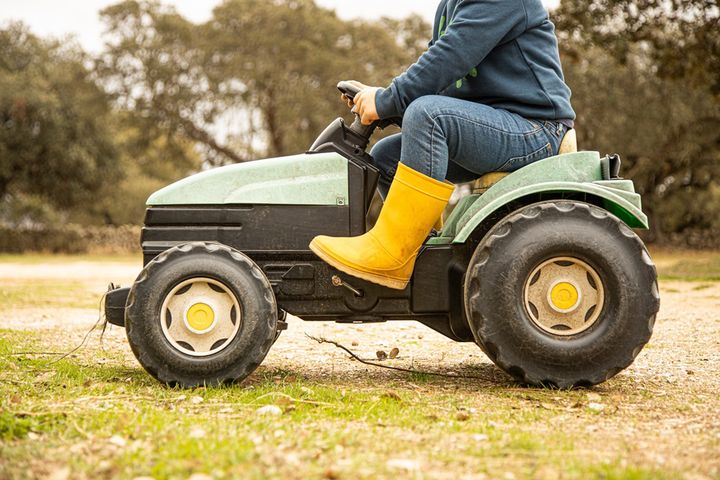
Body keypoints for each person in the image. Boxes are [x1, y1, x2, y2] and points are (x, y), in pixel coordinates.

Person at [310, 0, 576, 290]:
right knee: (387, 156)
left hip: (536, 129)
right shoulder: (450, 4)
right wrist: (387, 108)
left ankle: (391, 253)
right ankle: (424, 256)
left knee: (429, 114)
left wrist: (387, 100)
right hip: (498, 126)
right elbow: (444, 85)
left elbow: (449, 58)